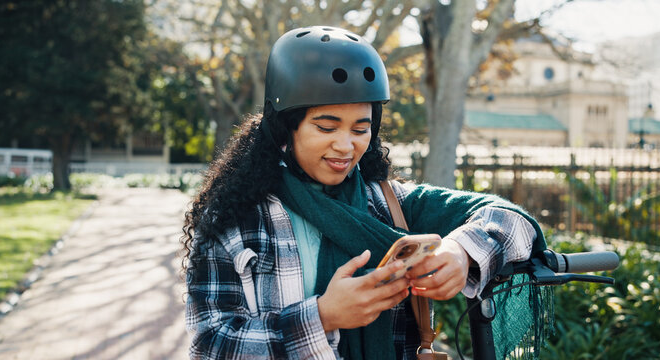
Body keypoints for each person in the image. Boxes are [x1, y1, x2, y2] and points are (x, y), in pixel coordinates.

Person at [182, 26, 544, 360]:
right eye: (326, 126)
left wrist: (461, 252)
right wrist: (322, 317)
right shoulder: (234, 217)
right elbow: (210, 344)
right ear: (284, 128)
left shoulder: (390, 203)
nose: (345, 146)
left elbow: (513, 220)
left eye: (360, 128)